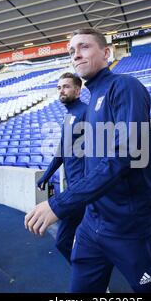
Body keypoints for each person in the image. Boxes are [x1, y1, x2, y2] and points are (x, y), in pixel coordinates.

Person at [25, 28, 151, 293]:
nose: (75, 55)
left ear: (106, 53)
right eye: (71, 51)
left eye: (83, 47)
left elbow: (126, 155)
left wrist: (61, 203)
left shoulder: (125, 86)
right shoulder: (91, 102)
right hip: (93, 225)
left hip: (131, 227)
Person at [37, 72, 87, 264]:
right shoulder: (68, 116)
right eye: (59, 87)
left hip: (82, 190)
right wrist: (47, 175)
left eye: (66, 86)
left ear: (77, 89)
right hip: (73, 188)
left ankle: (88, 277)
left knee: (63, 241)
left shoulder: (87, 112)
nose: (61, 91)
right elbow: (62, 151)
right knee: (77, 239)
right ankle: (91, 277)